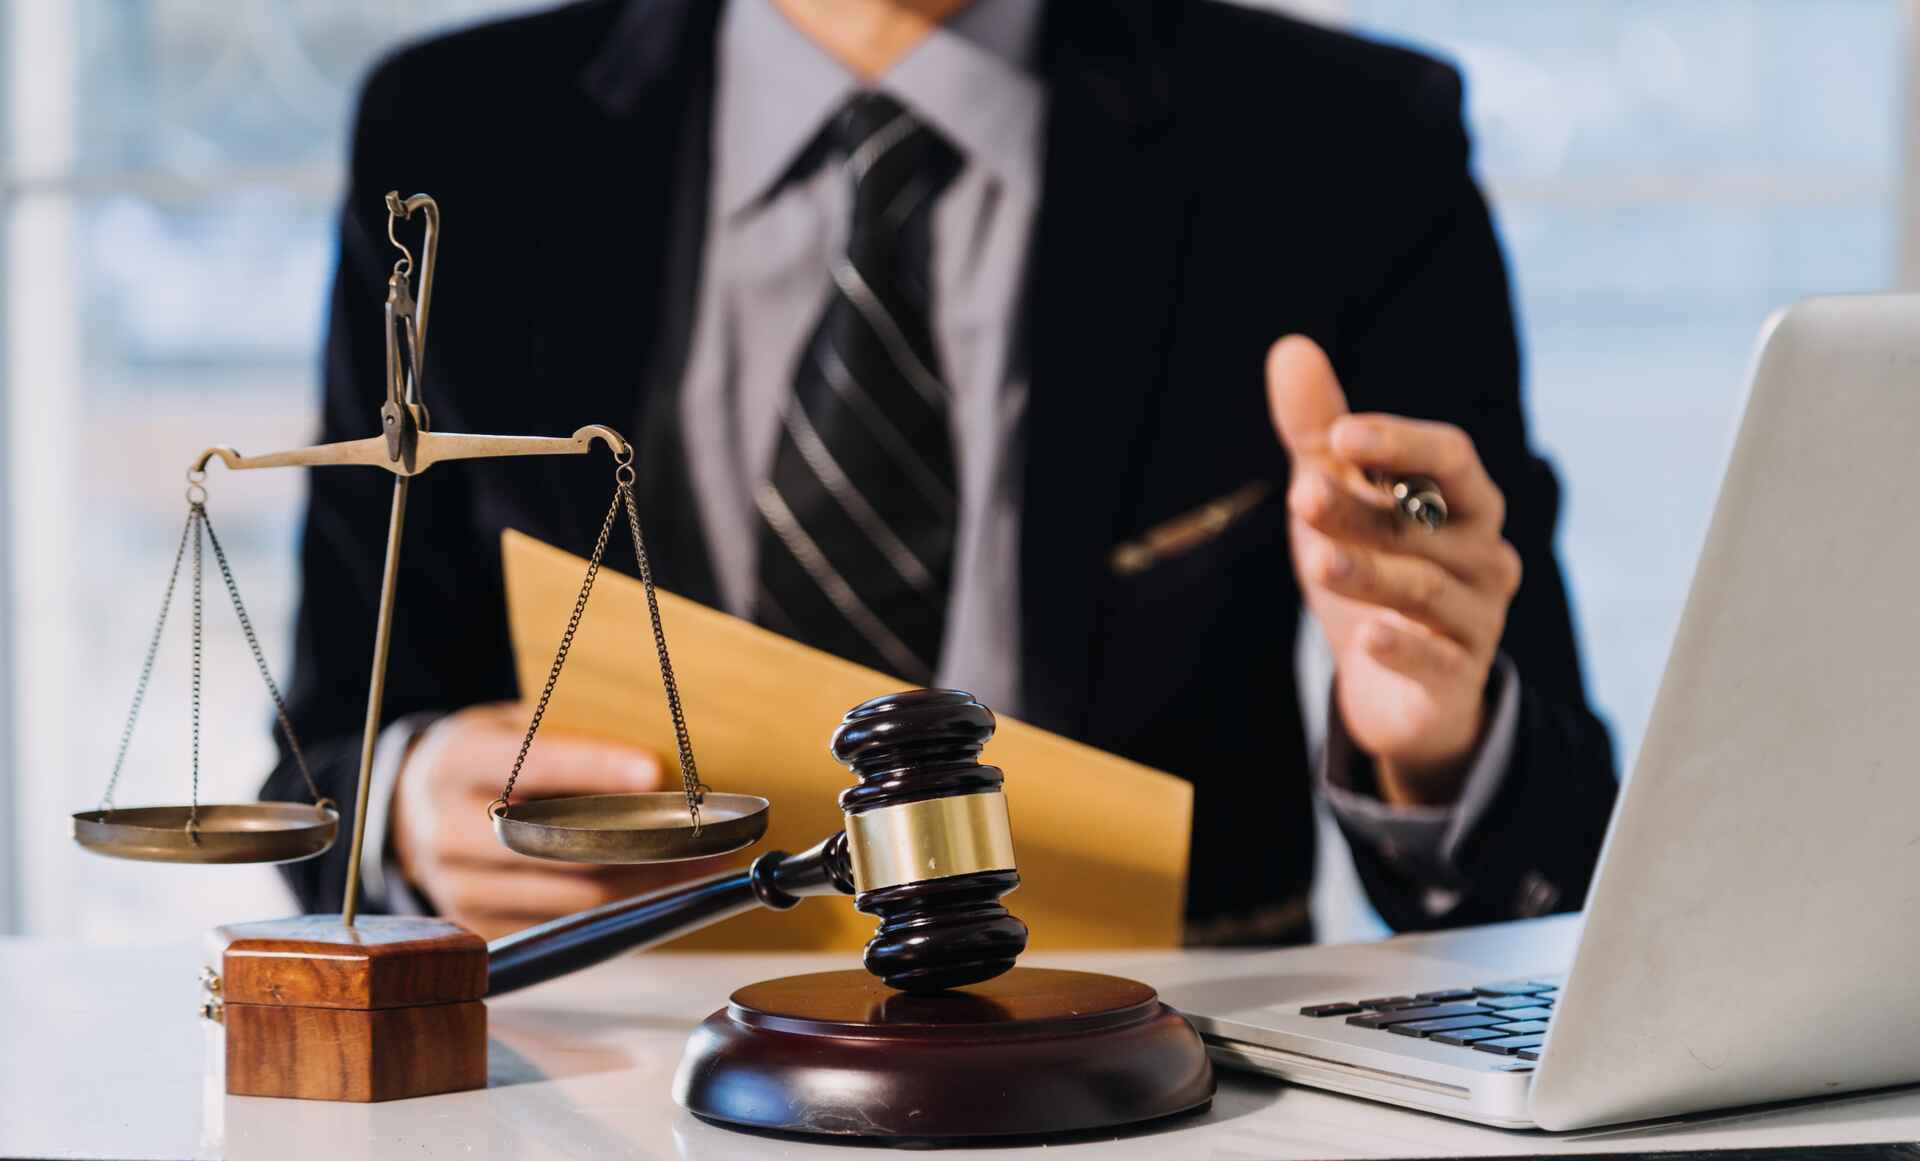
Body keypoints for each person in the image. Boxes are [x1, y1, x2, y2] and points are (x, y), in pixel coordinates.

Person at [267, 0, 1618, 943]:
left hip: (1156, 1092)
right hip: (613, 1090)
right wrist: (408, 803)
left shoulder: (1349, 146)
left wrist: (1433, 735)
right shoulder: (456, 144)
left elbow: (1551, 864)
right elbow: (317, 764)